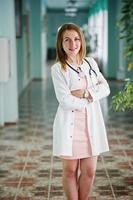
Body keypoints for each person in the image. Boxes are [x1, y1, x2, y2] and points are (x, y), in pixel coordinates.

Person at [51, 23, 110, 200]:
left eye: (76, 39)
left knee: (90, 172)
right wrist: (91, 99)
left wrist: (86, 93)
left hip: (91, 125)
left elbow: (105, 87)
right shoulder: (58, 69)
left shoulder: (90, 63)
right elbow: (65, 100)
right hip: (70, 126)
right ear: (60, 43)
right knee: (70, 171)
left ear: (81, 41)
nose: (72, 44)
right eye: (67, 40)